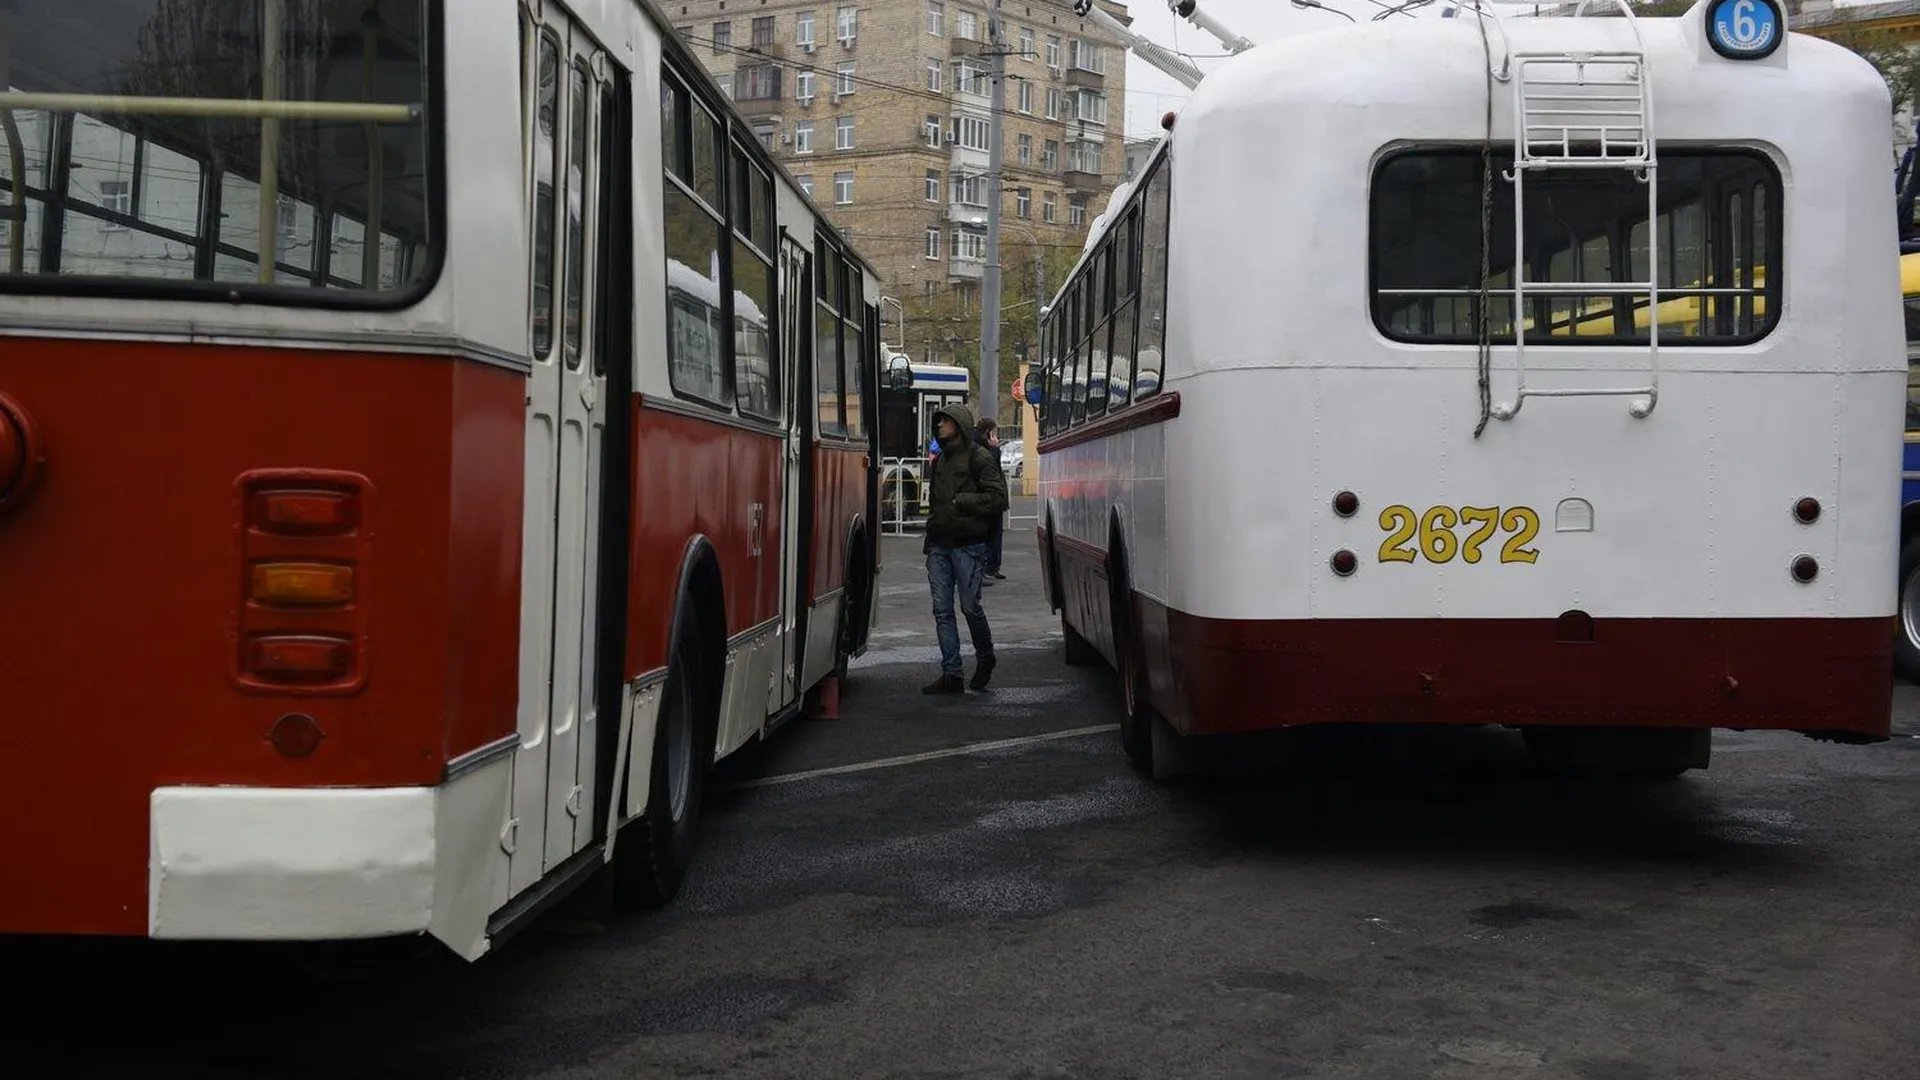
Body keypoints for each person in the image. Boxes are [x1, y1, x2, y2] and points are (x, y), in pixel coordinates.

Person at [921, 402, 1007, 694]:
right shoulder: (941, 460)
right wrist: (930, 540)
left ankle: (986, 658)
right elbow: (935, 504)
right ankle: (952, 673)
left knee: (970, 608)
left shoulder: (979, 457)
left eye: (945, 422)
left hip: (968, 546)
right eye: (939, 422)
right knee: (942, 611)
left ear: (958, 424)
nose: (940, 426)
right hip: (940, 547)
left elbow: (998, 499)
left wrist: (964, 501)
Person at [974, 416, 1007, 583]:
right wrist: (995, 449)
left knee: (996, 533)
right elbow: (990, 467)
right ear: (987, 431)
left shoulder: (982, 444)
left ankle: (993, 566)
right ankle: (984, 569)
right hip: (988, 497)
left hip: (995, 497)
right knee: (988, 534)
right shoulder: (980, 447)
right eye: (993, 431)